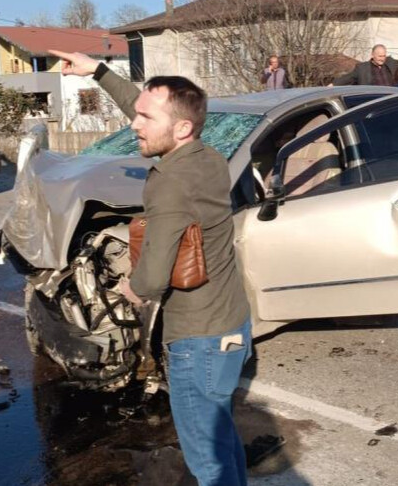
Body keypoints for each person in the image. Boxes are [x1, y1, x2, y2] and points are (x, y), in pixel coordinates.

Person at [49, 49, 253, 485]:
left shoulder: (172, 184)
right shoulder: (208, 157)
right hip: (230, 327)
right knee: (219, 437)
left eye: (145, 119)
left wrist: (130, 288)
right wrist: (99, 72)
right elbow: (150, 112)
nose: (133, 124)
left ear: (181, 128)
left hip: (198, 341)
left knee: (207, 458)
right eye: (136, 114)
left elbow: (153, 276)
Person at [332, 44, 398, 86]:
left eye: (384, 56)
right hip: (373, 100)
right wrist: (333, 84)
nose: (382, 59)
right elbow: (348, 77)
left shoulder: (390, 64)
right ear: (372, 55)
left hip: (390, 100)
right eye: (380, 56)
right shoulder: (362, 69)